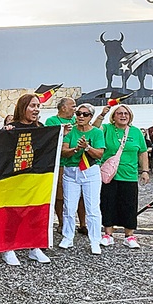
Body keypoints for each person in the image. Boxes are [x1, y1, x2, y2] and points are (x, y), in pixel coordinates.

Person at [1, 93, 51, 265]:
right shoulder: (12, 128)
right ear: (23, 108)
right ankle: (8, 248)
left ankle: (34, 247)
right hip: (15, 177)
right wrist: (5, 134)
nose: (36, 109)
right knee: (14, 213)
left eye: (38, 106)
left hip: (35, 177)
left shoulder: (42, 128)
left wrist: (59, 134)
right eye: (32, 106)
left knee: (35, 212)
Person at [99, 104, 150, 250]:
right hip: (110, 175)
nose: (123, 116)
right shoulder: (107, 129)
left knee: (129, 206)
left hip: (129, 175)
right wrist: (102, 114)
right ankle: (108, 234)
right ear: (113, 117)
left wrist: (145, 170)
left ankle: (129, 236)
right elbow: (94, 129)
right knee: (108, 204)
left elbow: (143, 152)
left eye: (126, 114)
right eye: (119, 113)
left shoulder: (135, 132)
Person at [58, 103, 105, 254]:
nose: (80, 117)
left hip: (90, 172)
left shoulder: (97, 133)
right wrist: (76, 149)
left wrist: (87, 147)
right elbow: (64, 151)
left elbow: (99, 154)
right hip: (71, 172)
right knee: (69, 207)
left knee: (92, 208)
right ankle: (67, 237)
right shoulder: (70, 132)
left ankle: (95, 240)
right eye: (78, 113)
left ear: (91, 117)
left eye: (85, 114)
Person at [45, 97, 87, 235]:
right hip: (62, 162)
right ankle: (62, 222)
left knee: (82, 195)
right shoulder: (52, 121)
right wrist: (62, 132)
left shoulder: (78, 120)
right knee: (60, 194)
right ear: (63, 107)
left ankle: (82, 223)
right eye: (73, 106)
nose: (75, 110)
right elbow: (49, 140)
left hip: (80, 162)